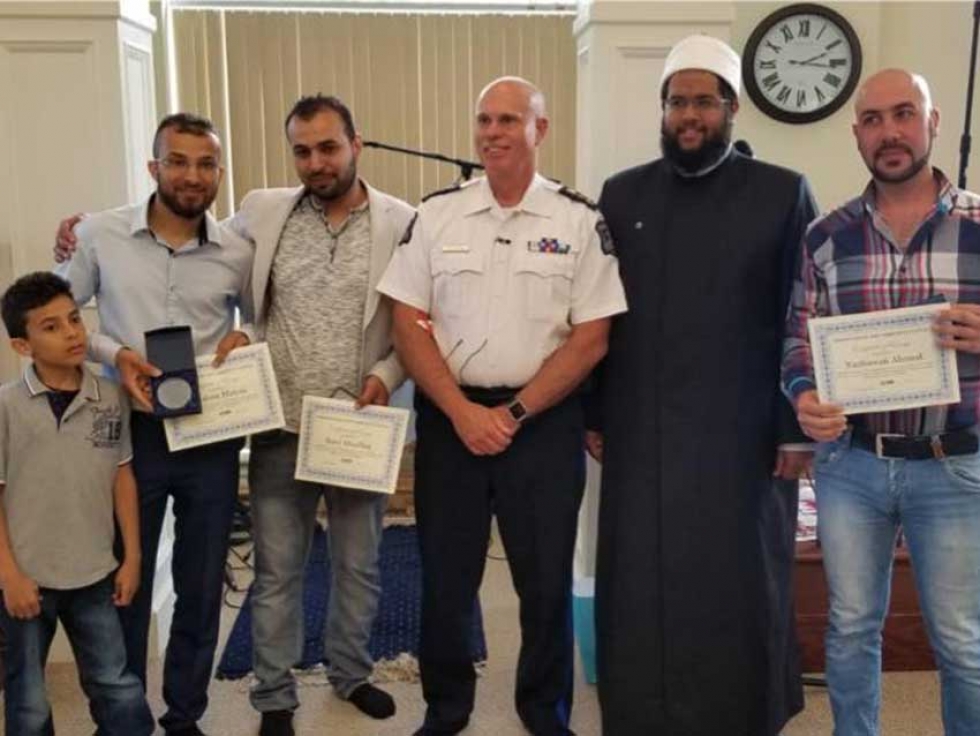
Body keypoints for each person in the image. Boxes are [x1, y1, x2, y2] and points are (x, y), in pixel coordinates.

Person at [377, 76, 627, 736]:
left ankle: (544, 710)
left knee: (543, 584)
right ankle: (447, 707)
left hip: (542, 425)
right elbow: (407, 320)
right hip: (450, 418)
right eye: (484, 120)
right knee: (447, 579)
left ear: (539, 130)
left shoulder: (578, 220)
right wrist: (462, 411)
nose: (493, 132)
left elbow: (592, 336)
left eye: (509, 120)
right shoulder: (436, 216)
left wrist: (512, 415)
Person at [587, 35, 817, 736]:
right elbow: (599, 316)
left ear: (732, 107)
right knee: (640, 574)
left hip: (743, 433)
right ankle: (643, 710)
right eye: (677, 101)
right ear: (662, 108)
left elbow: (802, 312)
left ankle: (744, 712)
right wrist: (596, 412)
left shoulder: (782, 192)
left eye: (704, 102)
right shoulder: (622, 194)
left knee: (742, 577)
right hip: (642, 430)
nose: (690, 115)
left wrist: (795, 427)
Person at [782, 69, 980, 736]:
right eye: (873, 120)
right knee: (850, 629)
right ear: (857, 134)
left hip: (955, 467)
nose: (889, 132)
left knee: (961, 643)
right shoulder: (827, 235)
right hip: (853, 468)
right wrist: (804, 394)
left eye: (903, 114)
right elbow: (797, 339)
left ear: (932, 122)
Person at [54, 112, 254, 736]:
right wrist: (117, 355)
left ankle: (185, 712)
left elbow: (265, 320)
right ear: (154, 167)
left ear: (219, 172)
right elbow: (61, 319)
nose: (192, 176)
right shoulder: (99, 235)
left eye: (205, 163)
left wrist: (247, 334)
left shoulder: (238, 250)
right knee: (125, 576)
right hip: (126, 433)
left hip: (211, 435)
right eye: (179, 161)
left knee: (199, 581)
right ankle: (124, 709)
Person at [224, 95, 414, 736]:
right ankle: (274, 696)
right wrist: (93, 227)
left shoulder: (402, 222)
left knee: (359, 564)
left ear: (357, 144)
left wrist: (386, 377)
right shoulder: (263, 209)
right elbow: (194, 250)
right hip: (279, 424)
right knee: (278, 571)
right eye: (302, 150)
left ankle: (351, 673)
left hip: (356, 425)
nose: (315, 162)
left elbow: (420, 322)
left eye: (328, 147)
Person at [0, 272, 154, 736]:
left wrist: (133, 557)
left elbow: (121, 475)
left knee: (117, 686)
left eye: (74, 319)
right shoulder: (6, 407)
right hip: (26, 580)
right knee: (26, 699)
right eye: (51, 326)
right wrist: (8, 574)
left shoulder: (110, 397)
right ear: (22, 346)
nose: (71, 332)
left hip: (94, 574)